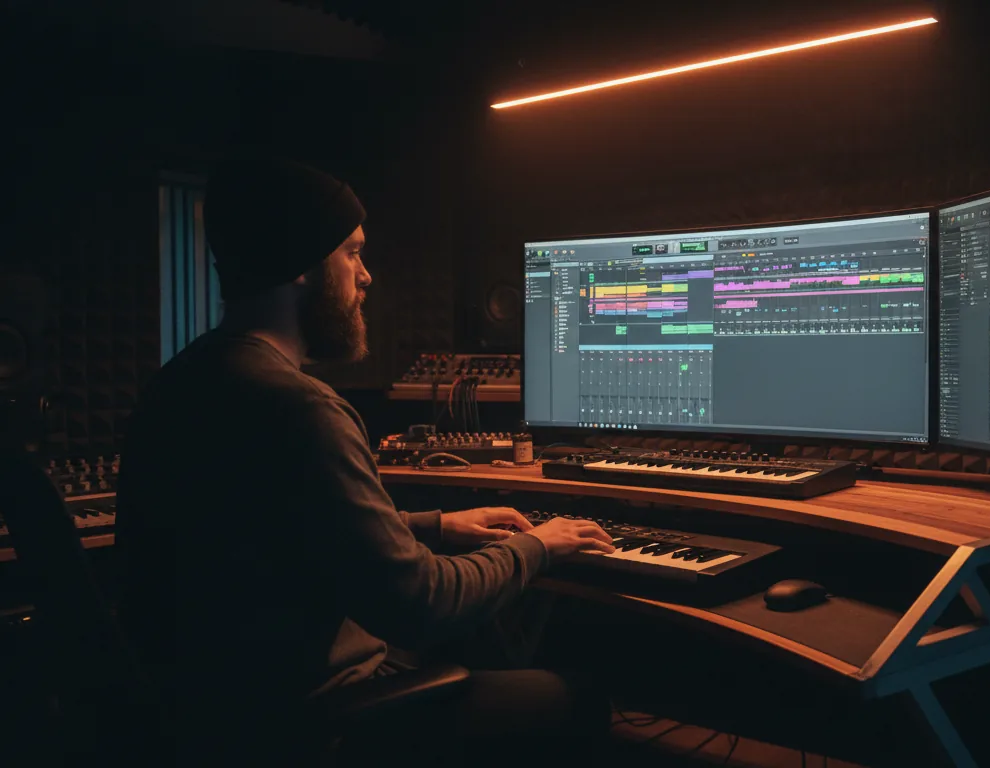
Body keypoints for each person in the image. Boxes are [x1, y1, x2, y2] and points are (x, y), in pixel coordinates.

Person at [116, 154, 616, 765]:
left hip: (215, 709)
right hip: (311, 719)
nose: (368, 275)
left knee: (483, 630)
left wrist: (436, 526)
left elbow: (269, 533)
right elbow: (423, 604)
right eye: (352, 253)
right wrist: (537, 546)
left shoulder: (180, 384)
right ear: (303, 263)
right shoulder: (302, 410)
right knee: (579, 696)